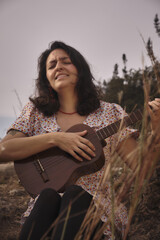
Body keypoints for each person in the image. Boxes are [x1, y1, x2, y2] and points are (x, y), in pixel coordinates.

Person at [0, 41, 160, 240]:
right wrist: (56, 139)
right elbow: (4, 149)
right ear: (46, 78)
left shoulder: (110, 112)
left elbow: (142, 168)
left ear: (79, 69)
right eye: (51, 65)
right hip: (46, 210)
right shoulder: (35, 112)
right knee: (47, 196)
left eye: (65, 61)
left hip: (96, 212)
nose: (58, 66)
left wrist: (156, 132)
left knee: (74, 194)